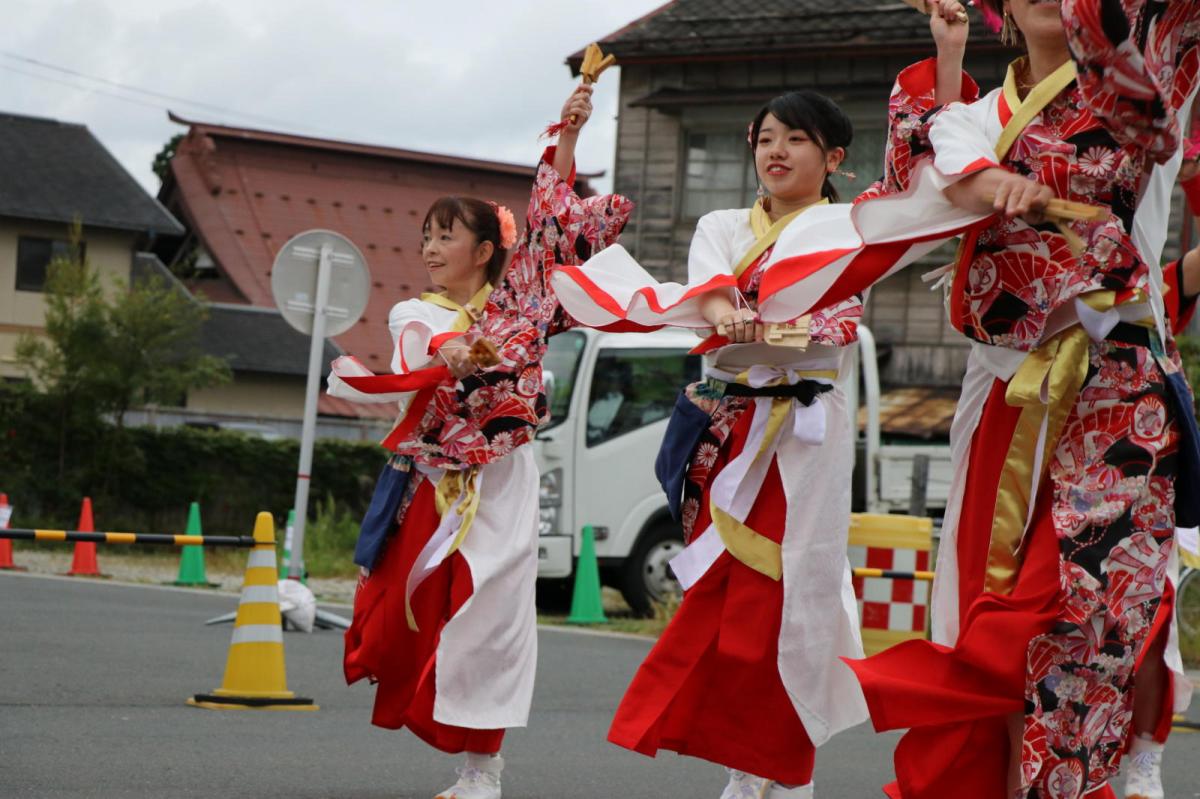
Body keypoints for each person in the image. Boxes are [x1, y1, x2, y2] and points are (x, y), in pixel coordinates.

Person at [738, 1, 1200, 795]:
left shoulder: (1139, 87)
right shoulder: (972, 117)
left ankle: (1100, 772)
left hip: (1115, 389)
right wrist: (974, 136)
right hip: (1001, 393)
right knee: (983, 617)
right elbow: (921, 186)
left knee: (1082, 610)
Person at [552, 59, 975, 791]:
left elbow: (921, 191)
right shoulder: (721, 224)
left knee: (795, 596)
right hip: (730, 431)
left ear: (834, 156)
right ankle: (749, 771)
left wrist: (949, 52)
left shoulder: (847, 227)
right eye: (765, 138)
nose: (775, 151)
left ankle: (783, 770)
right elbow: (713, 289)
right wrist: (727, 314)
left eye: (796, 139)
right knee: (729, 600)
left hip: (808, 433)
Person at [326, 83, 632, 799]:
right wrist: (455, 352)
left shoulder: (523, 304)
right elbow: (418, 355)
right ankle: (455, 741)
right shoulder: (415, 309)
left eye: (445, 235)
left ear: (487, 249)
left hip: (506, 475)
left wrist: (571, 135)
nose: (431, 248)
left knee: (495, 617)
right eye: (427, 236)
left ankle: (481, 770)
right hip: (437, 485)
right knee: (426, 615)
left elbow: (552, 219)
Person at [1123, 137, 1200, 799]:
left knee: (1150, 619)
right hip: (1048, 468)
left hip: (1145, 473)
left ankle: (1145, 752)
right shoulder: (1038, 288)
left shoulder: (1150, 300)